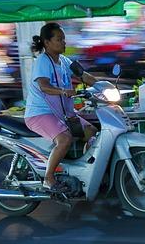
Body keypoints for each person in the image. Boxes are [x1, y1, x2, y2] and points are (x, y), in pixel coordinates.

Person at [24, 22, 98, 191]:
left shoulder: (64, 61)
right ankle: (48, 178)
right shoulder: (43, 61)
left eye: (64, 39)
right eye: (59, 39)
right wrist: (64, 91)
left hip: (62, 113)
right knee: (64, 139)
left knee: (92, 132)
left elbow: (83, 75)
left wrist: (103, 86)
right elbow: (44, 86)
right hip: (40, 113)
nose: (64, 42)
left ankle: (83, 170)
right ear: (47, 42)